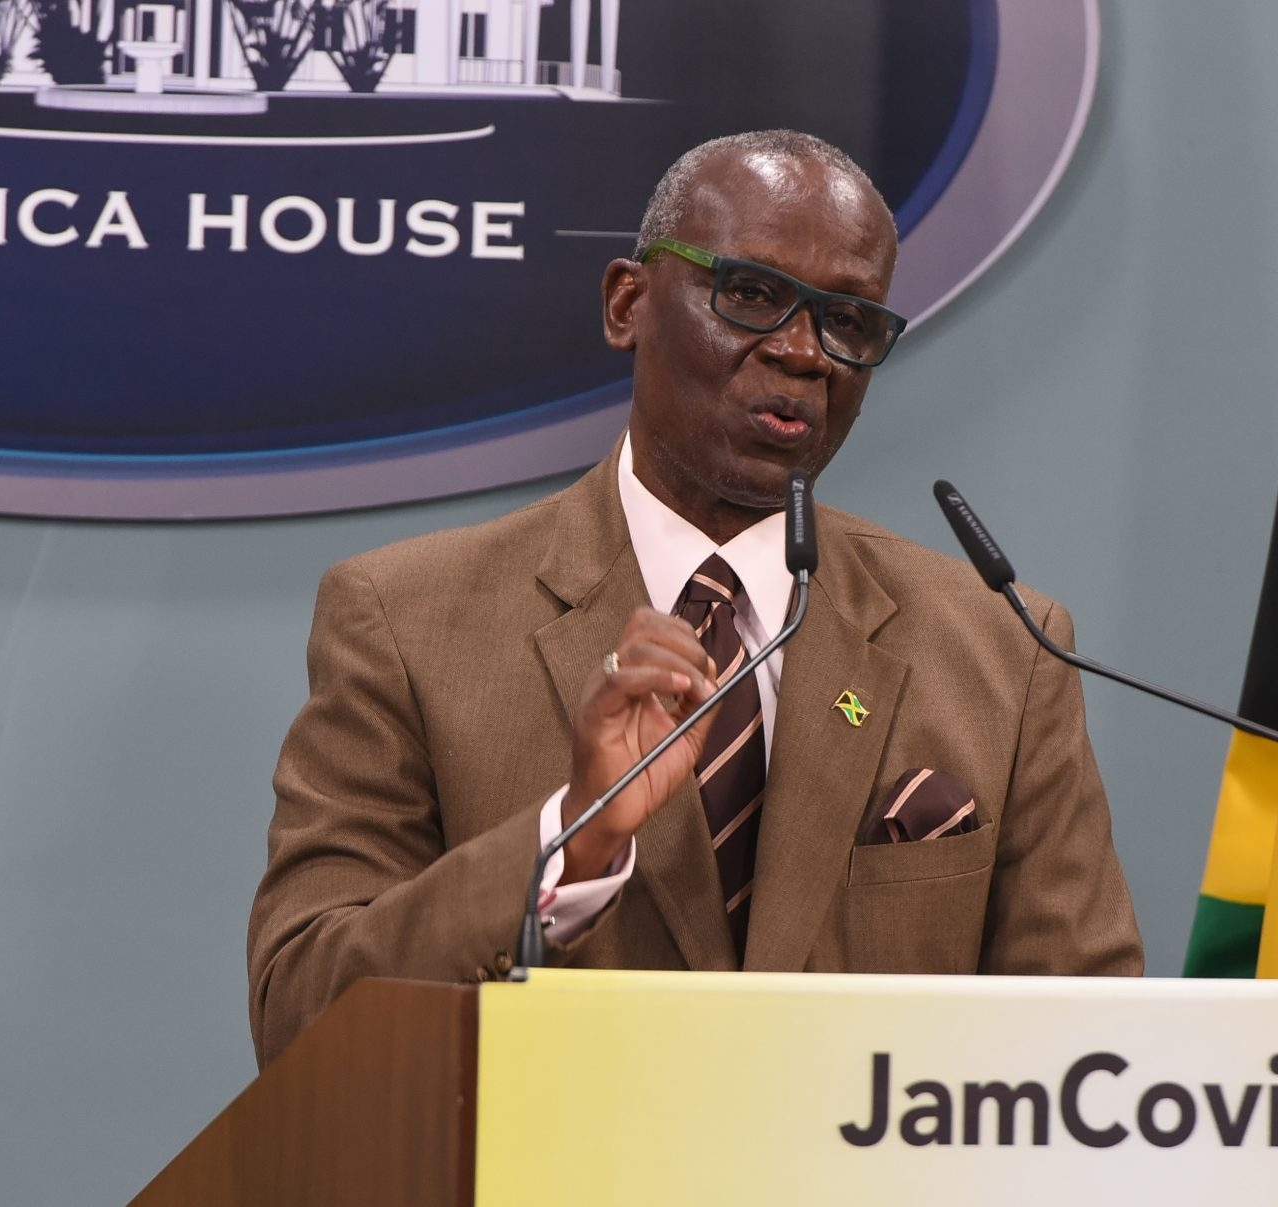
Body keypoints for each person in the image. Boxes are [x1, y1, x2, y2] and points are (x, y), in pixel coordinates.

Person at [248, 130, 1141, 1067]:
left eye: (848, 321)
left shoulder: (1003, 649)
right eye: (751, 294)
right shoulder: (405, 620)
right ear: (628, 303)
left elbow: (1088, 1059)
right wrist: (570, 839)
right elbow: (302, 1011)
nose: (804, 354)